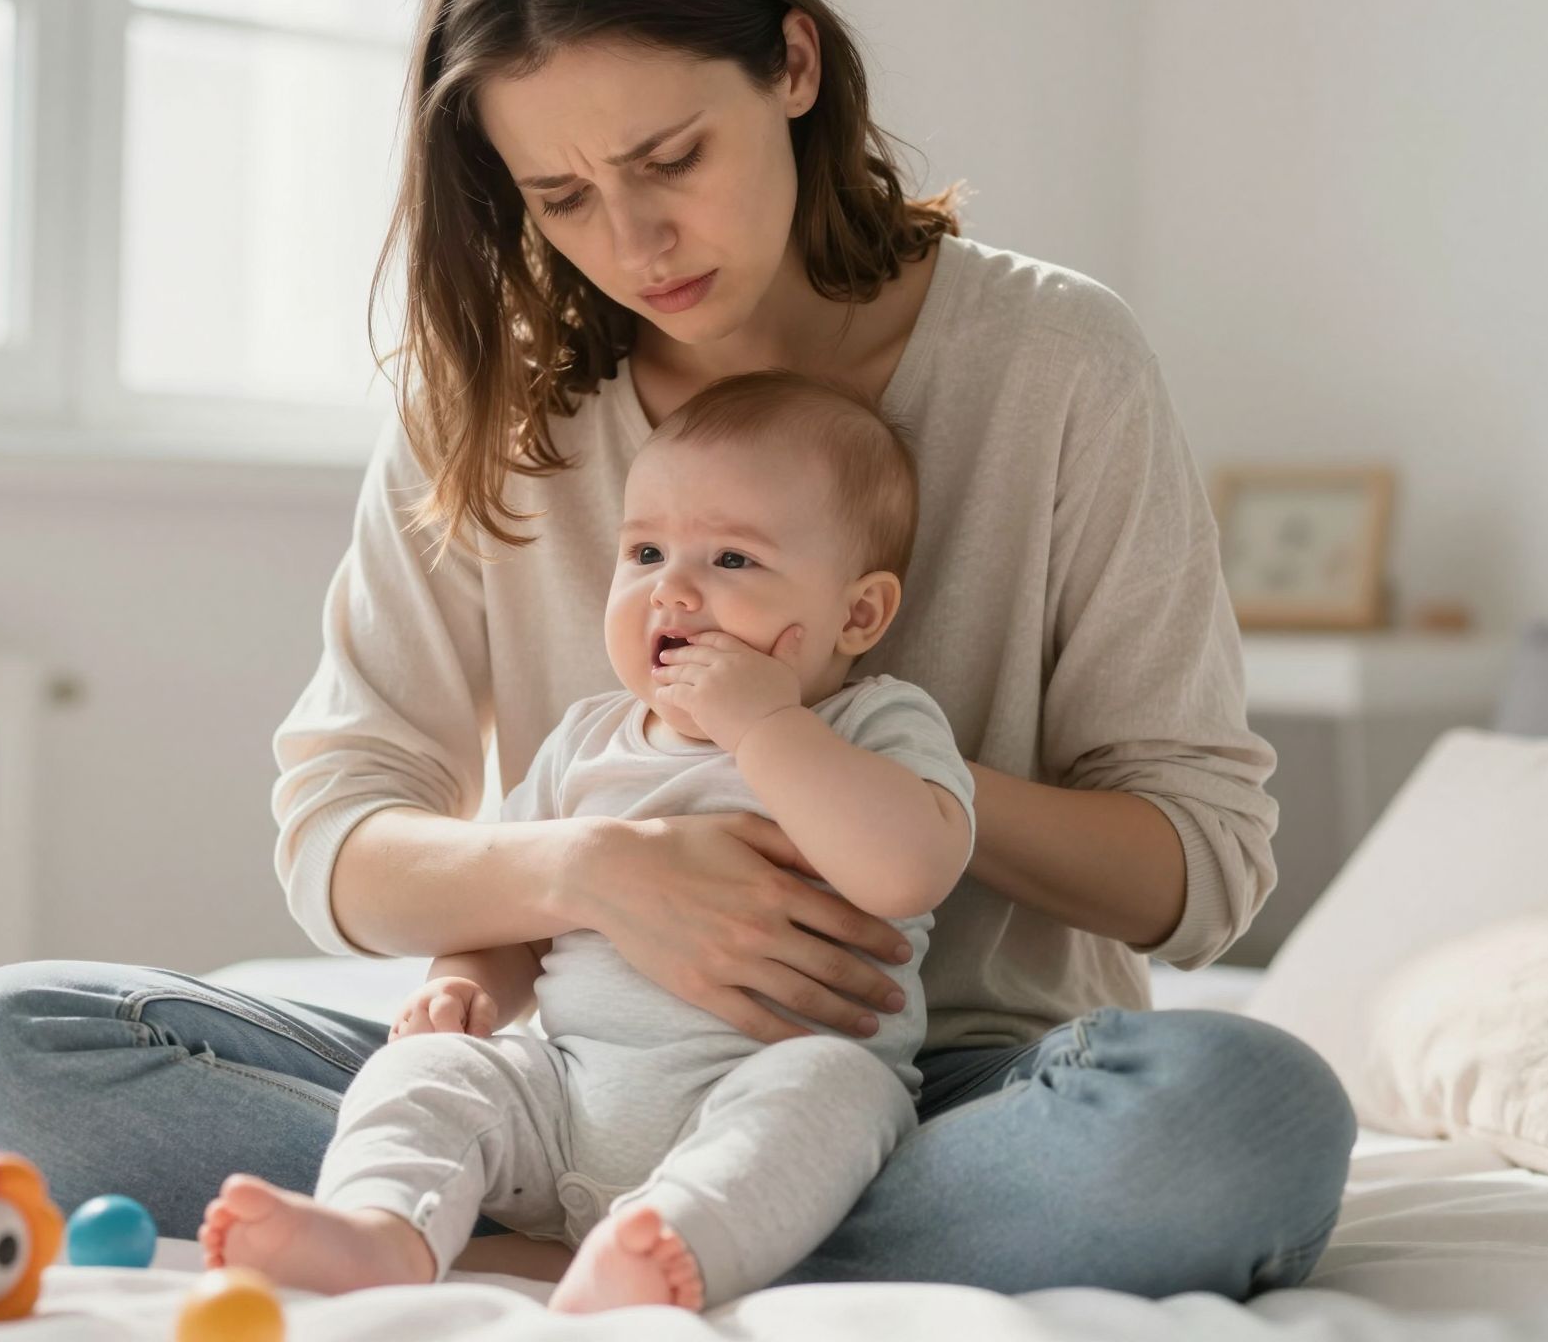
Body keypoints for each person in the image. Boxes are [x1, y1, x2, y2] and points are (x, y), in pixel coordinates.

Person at [0, 0, 1357, 1300]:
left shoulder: (1057, 364)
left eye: (672, 157)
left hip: (926, 1084)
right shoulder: (483, 403)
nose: (635, 238)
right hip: (570, 1067)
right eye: (558, 197)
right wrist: (604, 870)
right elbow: (337, 837)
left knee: (1240, 1118)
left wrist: (829, 783)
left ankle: (577, 1238)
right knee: (10, 1051)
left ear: (793, 67)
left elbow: (1202, 871)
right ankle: (601, 1234)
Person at [200, 370, 976, 1313]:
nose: (674, 590)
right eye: (645, 551)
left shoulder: (874, 725)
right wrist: (466, 990)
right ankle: (381, 1231)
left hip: (762, 1096)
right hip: (567, 1098)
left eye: (732, 561)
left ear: (859, 614)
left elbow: (909, 868)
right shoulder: (586, 740)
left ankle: (668, 1251)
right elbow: (515, 916)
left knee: (837, 1089)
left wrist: (765, 726)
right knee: (432, 1073)